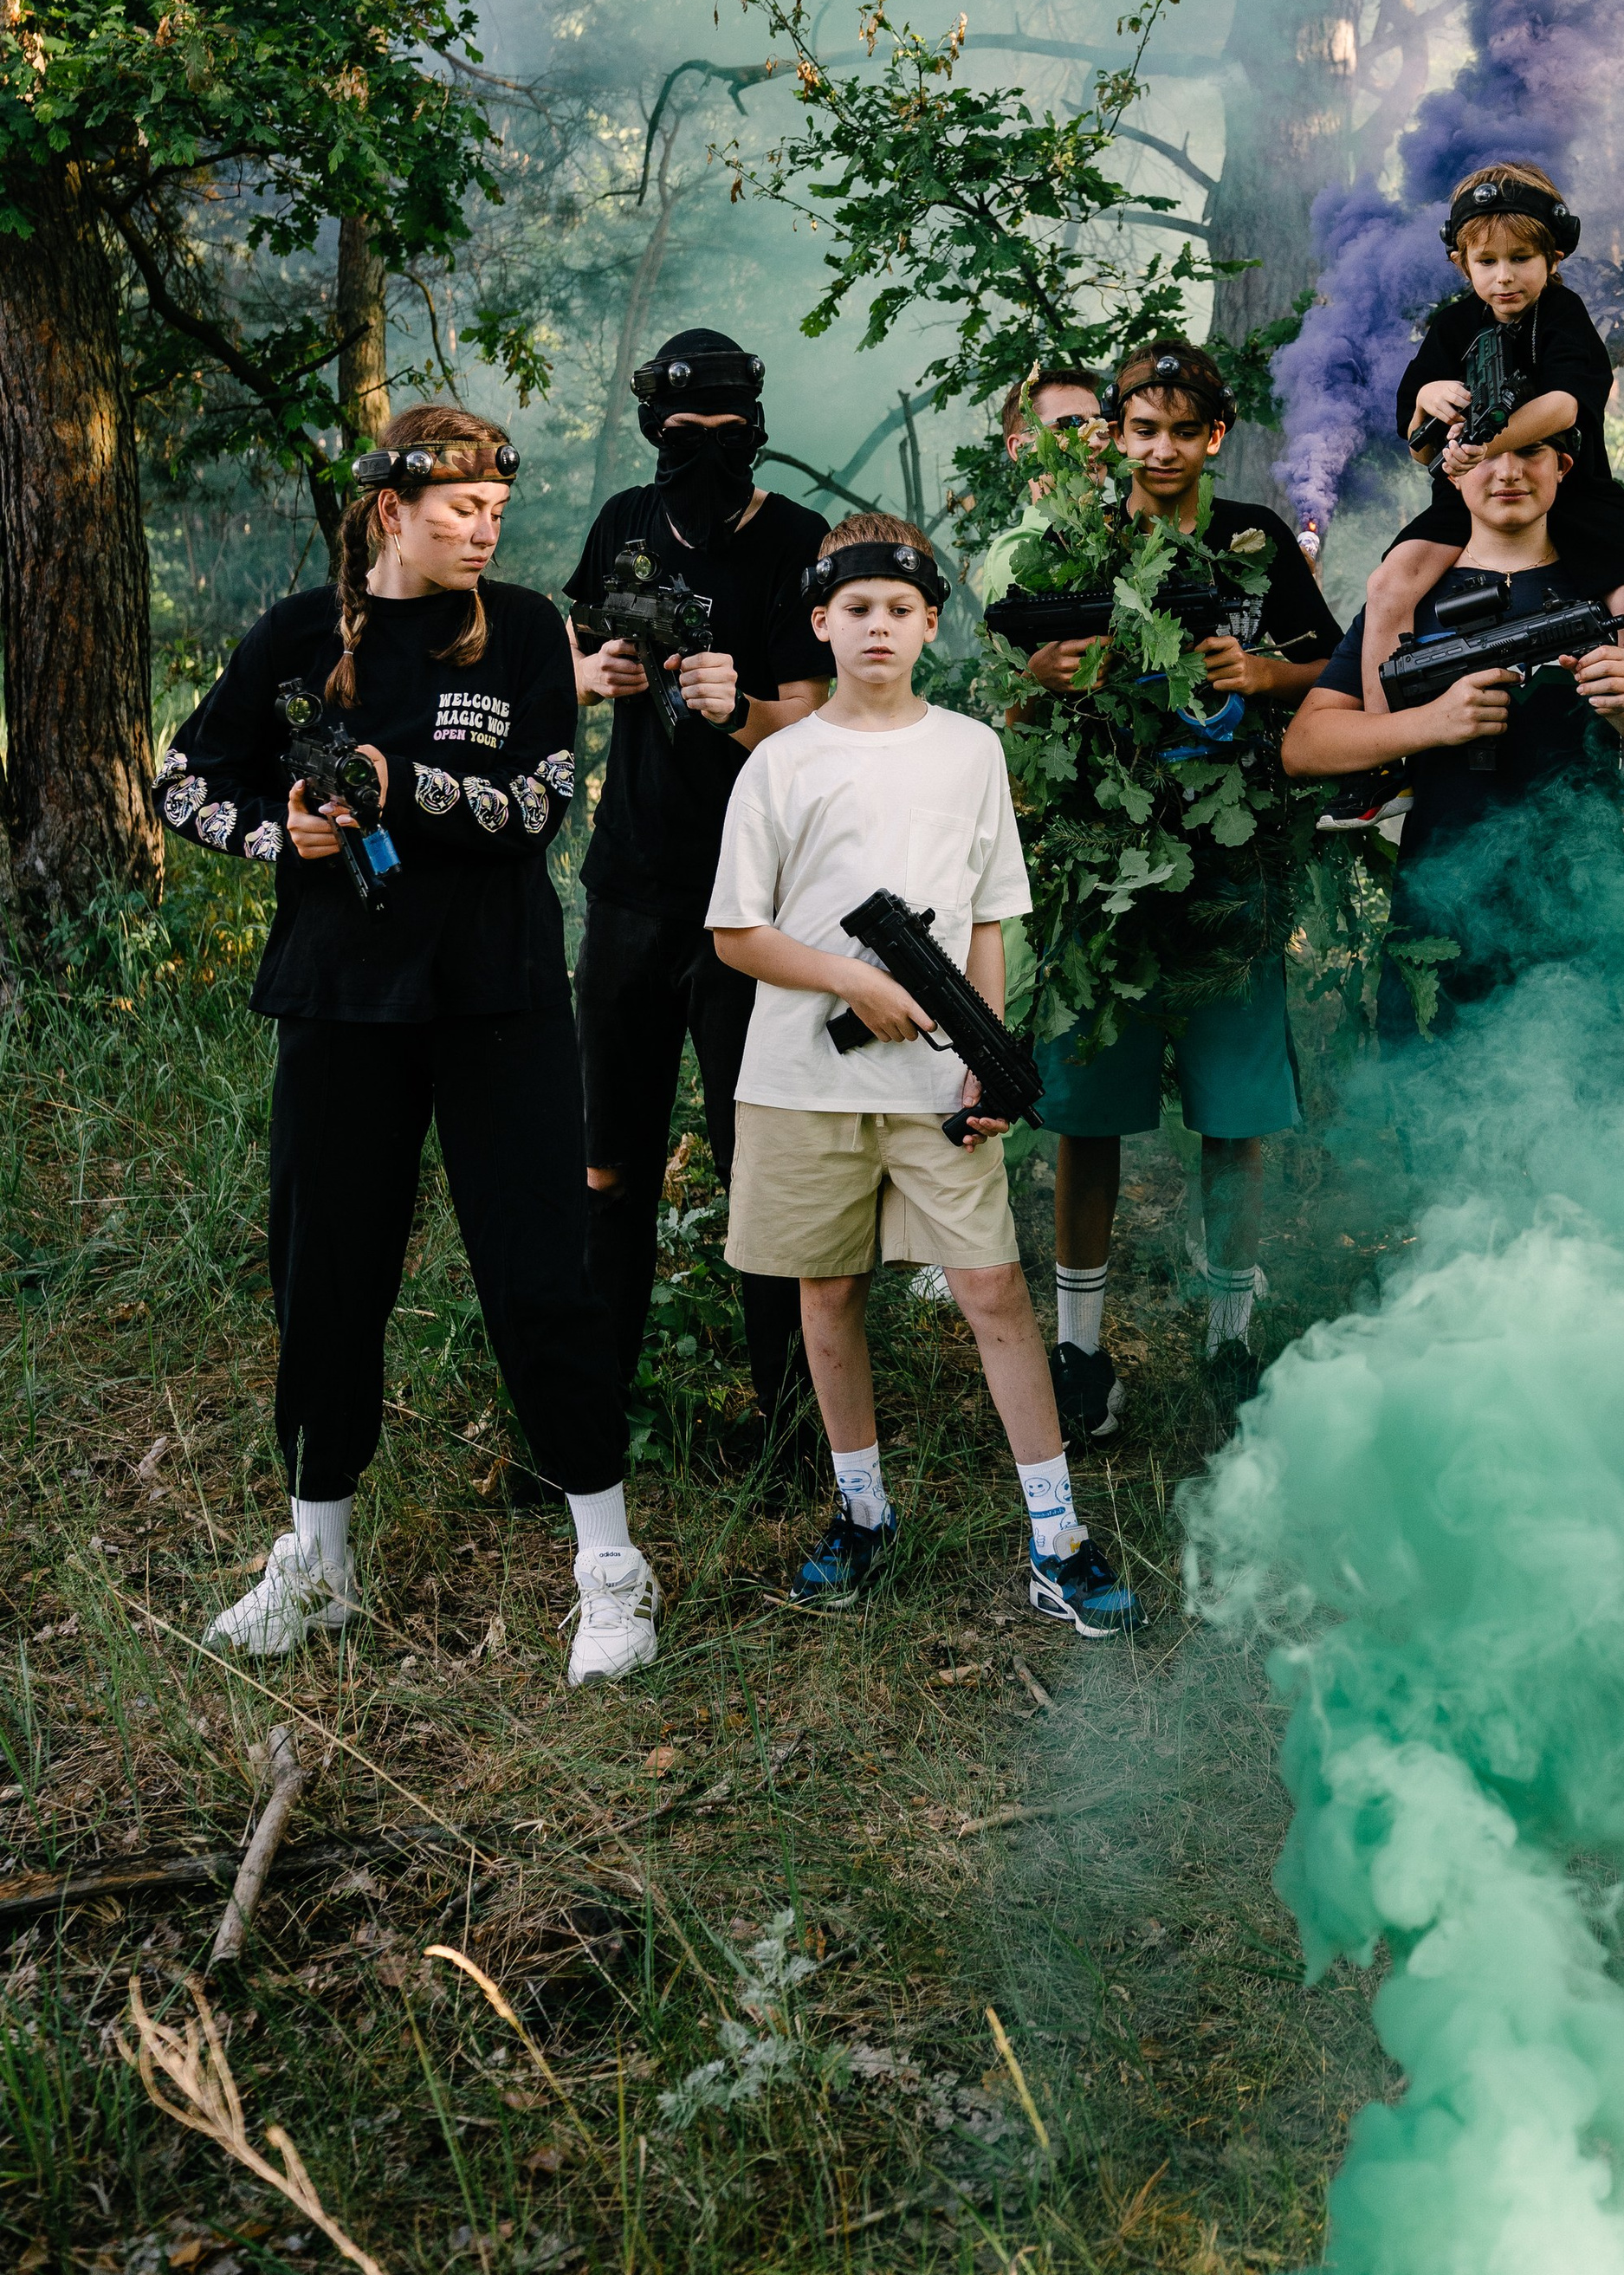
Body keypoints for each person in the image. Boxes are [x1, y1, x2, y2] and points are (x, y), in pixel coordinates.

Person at [159, 405, 658, 1688]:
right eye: (460, 513)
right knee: (325, 1277)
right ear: (392, 511)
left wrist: (407, 788)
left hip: (498, 1001)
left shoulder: (534, 629)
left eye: (497, 510)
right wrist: (288, 836)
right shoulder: (294, 635)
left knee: (541, 1269)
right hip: (339, 1004)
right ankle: (317, 1562)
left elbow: (543, 800)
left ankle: (609, 1567)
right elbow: (182, 783)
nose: (487, 531)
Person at [708, 511, 1141, 1636]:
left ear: (933, 625)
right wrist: (853, 986)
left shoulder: (971, 753)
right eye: (857, 610)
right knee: (829, 1290)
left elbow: (992, 921)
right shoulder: (783, 760)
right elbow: (736, 934)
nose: (880, 628)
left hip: (932, 1090)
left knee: (994, 1287)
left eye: (902, 610)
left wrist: (985, 1065)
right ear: (820, 623)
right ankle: (862, 1512)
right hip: (801, 1080)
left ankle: (1058, 1535)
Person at [1024, 338, 1342, 1433]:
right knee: (1088, 1114)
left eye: (1182, 430)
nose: (1160, 450)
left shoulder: (1252, 539)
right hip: (1103, 863)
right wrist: (1043, 673)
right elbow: (1019, 681)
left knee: (1234, 1111)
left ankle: (1231, 1340)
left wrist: (1264, 672)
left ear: (1217, 435)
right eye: (1139, 429)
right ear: (1113, 434)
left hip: (1229, 865)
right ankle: (1077, 1357)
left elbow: (1332, 666)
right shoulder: (1081, 540)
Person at [565, 328, 833, 1481]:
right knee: (605, 1167)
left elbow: (820, 722)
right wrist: (601, 673)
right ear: (652, 433)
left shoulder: (796, 543)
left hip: (755, 898)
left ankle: (785, 1426)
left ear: (756, 426)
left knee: (754, 1163)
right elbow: (576, 648)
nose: (701, 454)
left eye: (723, 433)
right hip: (629, 887)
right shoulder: (627, 519)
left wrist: (736, 708)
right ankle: (589, 1411)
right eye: (681, 434)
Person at [1284, 431, 1624, 1075]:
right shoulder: (1409, 596)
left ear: (1562, 467)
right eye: (1487, 454)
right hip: (1440, 914)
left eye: (1531, 452)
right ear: (1454, 473)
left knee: (1584, 1142)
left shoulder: (1610, 588)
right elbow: (1305, 745)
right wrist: (1429, 724)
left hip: (1584, 910)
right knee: (1431, 1131)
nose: (1508, 472)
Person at [1323, 162, 1624, 835]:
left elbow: (1570, 403)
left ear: (1553, 256)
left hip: (1575, 486)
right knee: (1391, 580)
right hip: (1468, 490)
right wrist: (1427, 402)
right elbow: (1418, 441)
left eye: (1521, 258)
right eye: (1487, 261)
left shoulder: (1563, 316)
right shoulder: (1453, 328)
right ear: (1462, 264)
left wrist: (1491, 438)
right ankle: (1386, 760)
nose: (1504, 276)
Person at [970, 361, 1107, 606]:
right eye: (1071, 423)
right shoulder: (1017, 554)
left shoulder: (1127, 529)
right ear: (1021, 448)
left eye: (1099, 426)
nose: (1095, 441)